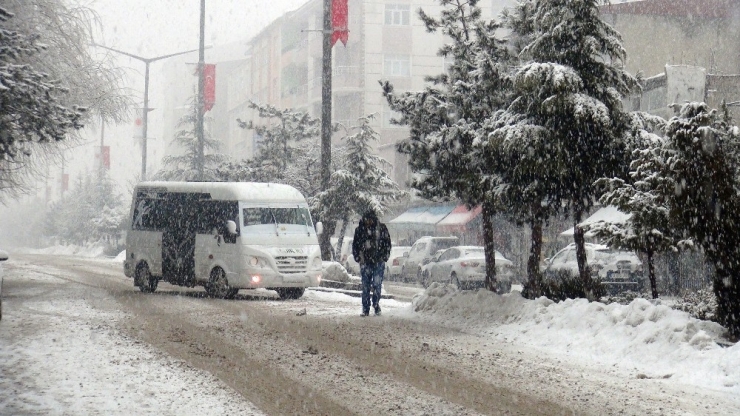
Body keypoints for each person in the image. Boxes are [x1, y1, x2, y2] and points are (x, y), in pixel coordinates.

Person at [352, 210, 392, 316]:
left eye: (370, 220)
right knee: (366, 285)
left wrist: (384, 256)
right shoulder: (360, 230)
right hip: (365, 262)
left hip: (378, 262)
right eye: (366, 220)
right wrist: (358, 257)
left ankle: (376, 304)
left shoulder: (381, 229)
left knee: (377, 285)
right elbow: (355, 245)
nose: (368, 222)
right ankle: (365, 308)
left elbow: (387, 243)